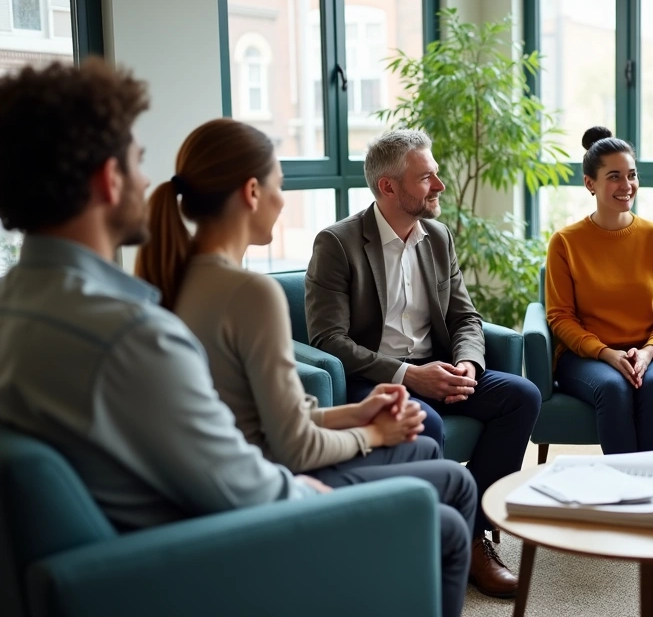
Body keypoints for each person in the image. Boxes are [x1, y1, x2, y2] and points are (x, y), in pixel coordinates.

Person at [133, 118, 478, 617]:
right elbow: (292, 445)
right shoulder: (250, 293)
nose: (283, 200)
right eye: (280, 186)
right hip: (263, 481)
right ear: (252, 192)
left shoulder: (169, 278)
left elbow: (264, 419)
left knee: (425, 444)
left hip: (241, 463)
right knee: (454, 486)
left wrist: (359, 414)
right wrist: (374, 435)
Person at [0, 60, 327, 531]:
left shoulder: (18, 303)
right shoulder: (131, 339)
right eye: (137, 161)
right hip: (200, 559)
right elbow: (246, 490)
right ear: (108, 179)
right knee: (434, 506)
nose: (146, 180)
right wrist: (315, 494)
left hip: (127, 558)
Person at [305, 128, 541, 598]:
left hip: (438, 366)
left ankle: (470, 538)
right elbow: (328, 339)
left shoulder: (437, 237)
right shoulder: (337, 243)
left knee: (521, 396)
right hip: (376, 379)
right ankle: (427, 545)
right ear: (388, 187)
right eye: (427, 177)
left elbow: (465, 317)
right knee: (424, 423)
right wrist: (409, 376)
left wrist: (468, 364)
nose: (440, 186)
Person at [545, 126, 653, 454]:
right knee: (613, 387)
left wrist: (649, 351)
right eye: (614, 177)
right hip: (586, 356)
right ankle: (622, 493)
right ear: (589, 183)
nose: (627, 186)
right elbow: (560, 317)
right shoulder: (565, 243)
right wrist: (607, 353)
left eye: (632, 175)